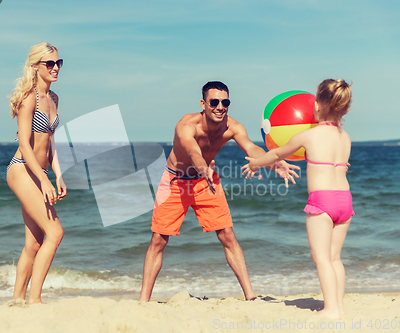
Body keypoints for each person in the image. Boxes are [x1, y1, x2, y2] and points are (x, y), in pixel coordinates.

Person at [138, 81, 300, 302]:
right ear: (203, 104)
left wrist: (274, 163)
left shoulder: (233, 127)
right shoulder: (187, 125)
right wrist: (202, 167)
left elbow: (251, 148)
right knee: (159, 239)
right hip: (176, 181)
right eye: (214, 102)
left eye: (225, 102)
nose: (220, 106)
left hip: (206, 181)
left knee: (227, 235)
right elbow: (193, 150)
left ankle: (250, 297)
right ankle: (143, 301)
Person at [242, 79, 354, 319]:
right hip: (345, 200)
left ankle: (331, 310)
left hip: (322, 201)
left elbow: (276, 153)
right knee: (335, 258)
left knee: (321, 258)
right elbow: (342, 167)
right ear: (344, 108)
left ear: (316, 106)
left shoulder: (308, 137)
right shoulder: (346, 138)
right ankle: (339, 307)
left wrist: (255, 163)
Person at [6, 42, 66, 304]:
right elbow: (25, 145)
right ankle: (35, 301)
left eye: (58, 63)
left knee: (34, 243)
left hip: (39, 171)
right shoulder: (29, 98)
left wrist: (58, 174)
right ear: (35, 66)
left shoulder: (53, 98)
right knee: (55, 233)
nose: (55, 68)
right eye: (49, 63)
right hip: (21, 170)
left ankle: (18, 300)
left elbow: (50, 143)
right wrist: (43, 179)